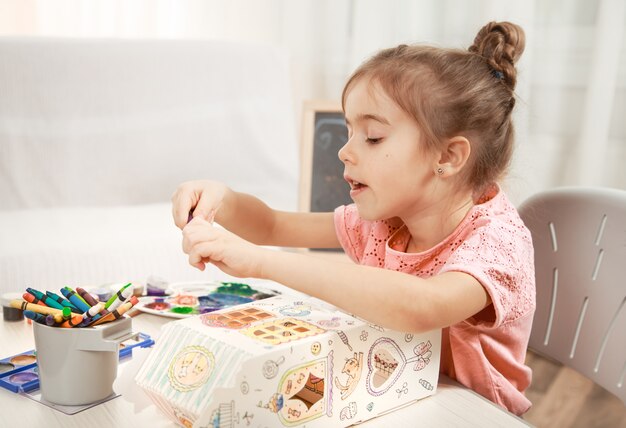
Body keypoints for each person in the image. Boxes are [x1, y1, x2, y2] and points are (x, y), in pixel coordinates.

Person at [172, 21, 535, 416]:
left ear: (447, 157)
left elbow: (422, 307)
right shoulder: (385, 222)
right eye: (348, 132)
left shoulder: (498, 241)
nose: (345, 152)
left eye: (373, 137)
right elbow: (273, 225)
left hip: (474, 413)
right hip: (392, 394)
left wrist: (262, 263)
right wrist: (222, 199)